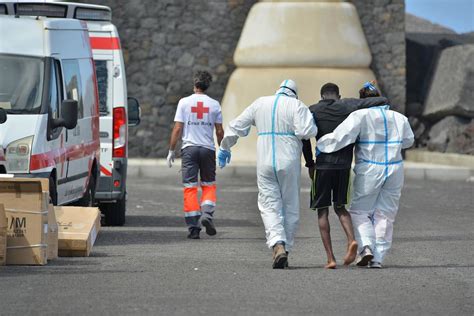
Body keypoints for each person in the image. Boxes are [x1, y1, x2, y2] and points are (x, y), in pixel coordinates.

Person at [218, 80, 317, 269]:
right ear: (294, 94)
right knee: (290, 204)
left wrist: (225, 147)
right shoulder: (297, 105)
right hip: (288, 161)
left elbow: (236, 125)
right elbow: (307, 131)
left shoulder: (260, 103)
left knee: (268, 205)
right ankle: (285, 247)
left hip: (264, 161)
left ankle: (277, 243)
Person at [316, 81, 414, 268]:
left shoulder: (360, 115)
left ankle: (367, 247)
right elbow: (408, 141)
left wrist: (321, 144)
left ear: (364, 100)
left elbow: (341, 137)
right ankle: (378, 258)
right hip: (395, 168)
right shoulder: (400, 118)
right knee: (385, 214)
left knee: (360, 211)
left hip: (370, 168)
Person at [302, 83, 389, 269]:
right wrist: (370, 92)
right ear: (338, 95)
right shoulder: (348, 105)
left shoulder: (313, 110)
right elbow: (381, 100)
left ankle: (330, 259)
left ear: (321, 95)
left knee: (322, 211)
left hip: (322, 165)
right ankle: (351, 240)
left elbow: (304, 138)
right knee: (341, 207)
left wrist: (310, 163)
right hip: (343, 166)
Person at [167, 71, 224, 239]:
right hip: (208, 149)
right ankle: (207, 213)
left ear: (195, 84)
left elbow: (177, 128)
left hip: (189, 150)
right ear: (208, 86)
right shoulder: (214, 104)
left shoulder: (184, 102)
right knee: (209, 185)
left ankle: (193, 228)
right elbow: (219, 131)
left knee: (190, 188)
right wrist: (223, 149)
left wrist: (171, 150)